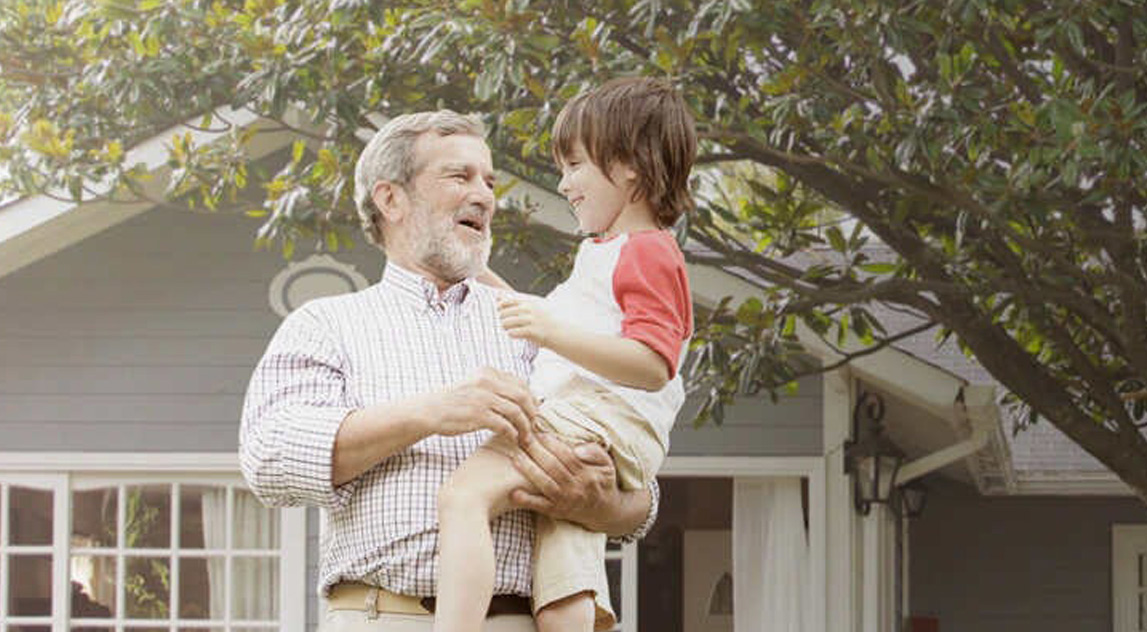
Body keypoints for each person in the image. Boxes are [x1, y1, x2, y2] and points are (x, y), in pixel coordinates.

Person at [239, 109, 658, 632]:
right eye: (459, 176)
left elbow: (639, 489)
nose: (484, 195)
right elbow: (270, 459)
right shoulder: (327, 324)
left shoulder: (539, 326)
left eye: (488, 180)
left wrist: (603, 502)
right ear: (390, 198)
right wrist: (430, 412)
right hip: (379, 617)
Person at [434, 77, 696, 632]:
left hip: (590, 420)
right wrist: (471, 266)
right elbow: (545, 320)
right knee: (559, 591)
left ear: (629, 165)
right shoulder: (609, 255)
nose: (565, 182)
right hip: (599, 430)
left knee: (464, 497)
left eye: (576, 165)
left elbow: (653, 363)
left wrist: (551, 333)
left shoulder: (644, 251)